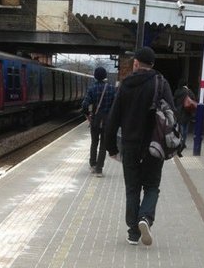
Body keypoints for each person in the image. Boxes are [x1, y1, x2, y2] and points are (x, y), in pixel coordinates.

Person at [104, 46, 175, 246]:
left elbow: (113, 119)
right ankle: (145, 218)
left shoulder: (125, 85)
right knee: (152, 186)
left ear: (136, 63)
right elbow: (172, 115)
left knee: (132, 188)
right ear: (152, 64)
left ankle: (133, 233)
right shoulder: (161, 83)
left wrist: (111, 148)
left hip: (130, 146)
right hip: (155, 145)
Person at [81, 66, 116, 177]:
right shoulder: (111, 88)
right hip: (107, 121)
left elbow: (84, 105)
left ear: (95, 76)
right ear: (105, 76)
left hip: (95, 120)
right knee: (103, 145)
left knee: (94, 143)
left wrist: (88, 116)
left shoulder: (92, 89)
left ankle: (92, 165)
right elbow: (116, 106)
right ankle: (99, 170)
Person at [173, 78, 196, 144]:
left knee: (180, 127)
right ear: (186, 84)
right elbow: (194, 100)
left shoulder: (177, 91)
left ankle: (180, 140)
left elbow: (173, 101)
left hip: (178, 112)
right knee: (186, 127)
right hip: (187, 112)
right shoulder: (189, 92)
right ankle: (183, 142)